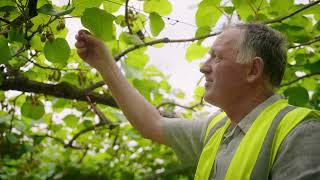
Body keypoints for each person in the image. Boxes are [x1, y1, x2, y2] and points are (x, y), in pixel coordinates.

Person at [75, 23, 320, 179]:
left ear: (253, 70)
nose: (204, 67)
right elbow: (153, 124)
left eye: (217, 58)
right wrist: (105, 64)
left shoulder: (299, 132)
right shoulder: (216, 129)